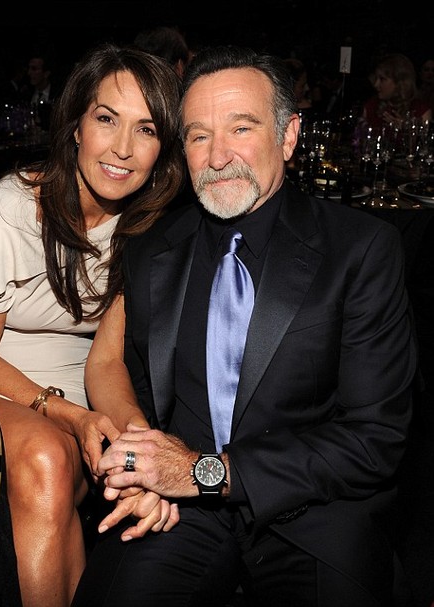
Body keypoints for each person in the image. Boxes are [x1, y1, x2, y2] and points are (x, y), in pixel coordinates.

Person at [74, 45, 418, 607]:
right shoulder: (152, 250)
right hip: (177, 510)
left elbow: (374, 439)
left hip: (313, 510)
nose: (217, 156)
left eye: (241, 128)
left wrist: (205, 472)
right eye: (198, 135)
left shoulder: (359, 250)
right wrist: (143, 468)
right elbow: (126, 378)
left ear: (288, 136)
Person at [0, 43, 185, 607]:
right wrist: (70, 417)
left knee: (61, 471)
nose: (122, 148)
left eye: (146, 129)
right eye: (106, 119)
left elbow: (106, 361)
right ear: (76, 125)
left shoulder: (144, 227)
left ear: (163, 149)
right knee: (48, 458)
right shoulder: (10, 209)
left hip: (77, 388)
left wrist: (137, 444)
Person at [361, 52, 432, 130]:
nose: (376, 85)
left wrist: (407, 129)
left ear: (399, 82)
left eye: (382, 79)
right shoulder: (371, 106)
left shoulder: (421, 112)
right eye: (376, 78)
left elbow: (422, 137)